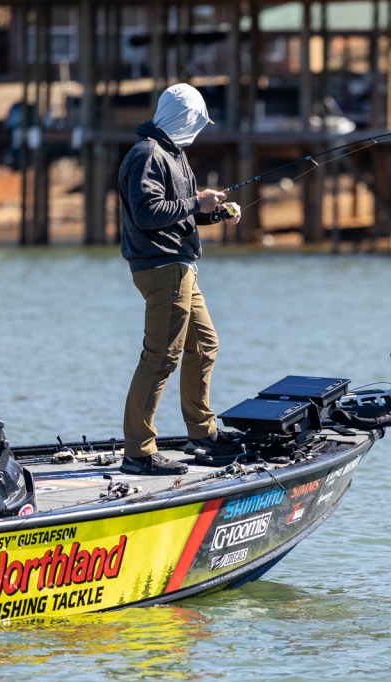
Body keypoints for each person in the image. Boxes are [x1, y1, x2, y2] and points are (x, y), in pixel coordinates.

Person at [117, 83, 242, 476]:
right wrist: (196, 202)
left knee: (204, 345)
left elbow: (180, 213)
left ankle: (202, 433)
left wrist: (215, 212)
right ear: (184, 118)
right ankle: (138, 453)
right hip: (162, 268)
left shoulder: (174, 154)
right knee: (160, 357)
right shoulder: (147, 154)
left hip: (181, 266)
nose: (198, 130)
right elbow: (147, 213)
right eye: (196, 121)